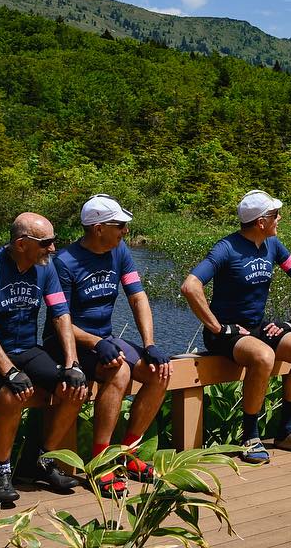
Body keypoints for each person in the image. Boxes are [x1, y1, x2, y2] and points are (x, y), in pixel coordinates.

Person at [180, 190, 291, 464]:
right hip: (225, 334)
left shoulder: (273, 245)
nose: (280, 218)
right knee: (263, 356)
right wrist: (219, 328)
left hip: (256, 327)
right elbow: (190, 286)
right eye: (275, 215)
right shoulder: (226, 248)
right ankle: (250, 436)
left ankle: (286, 431)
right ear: (260, 221)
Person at [51, 194, 173, 495]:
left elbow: (137, 297)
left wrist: (150, 344)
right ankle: (101, 461)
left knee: (160, 372)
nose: (125, 231)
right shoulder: (64, 262)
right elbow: (60, 319)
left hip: (106, 341)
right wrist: (93, 342)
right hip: (70, 343)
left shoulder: (120, 252)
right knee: (119, 372)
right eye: (119, 225)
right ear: (98, 228)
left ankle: (128, 452)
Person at [0, 212, 88, 507]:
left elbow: (60, 314)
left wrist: (72, 362)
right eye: (46, 242)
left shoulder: (45, 267)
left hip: (26, 347)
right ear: (22, 244)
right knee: (12, 395)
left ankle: (44, 460)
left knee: (76, 389)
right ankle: (1, 471)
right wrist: (9, 372)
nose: (53, 249)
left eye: (54, 241)